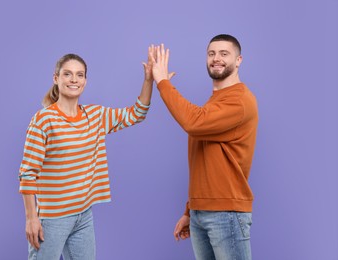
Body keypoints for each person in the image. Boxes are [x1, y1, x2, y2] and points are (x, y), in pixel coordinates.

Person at [18, 47, 155, 260]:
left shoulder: (96, 115)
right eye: (67, 74)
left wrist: (148, 80)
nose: (74, 80)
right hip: (52, 219)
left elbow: (137, 113)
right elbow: (28, 173)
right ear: (56, 78)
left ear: (85, 81)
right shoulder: (43, 120)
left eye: (79, 75)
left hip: (83, 216)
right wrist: (31, 218)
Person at [150, 35, 258, 260]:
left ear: (239, 60)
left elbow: (193, 122)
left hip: (226, 214)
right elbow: (207, 161)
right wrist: (191, 210)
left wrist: (162, 82)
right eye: (211, 54)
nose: (216, 59)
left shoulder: (239, 101)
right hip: (202, 213)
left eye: (224, 54)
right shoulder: (216, 101)